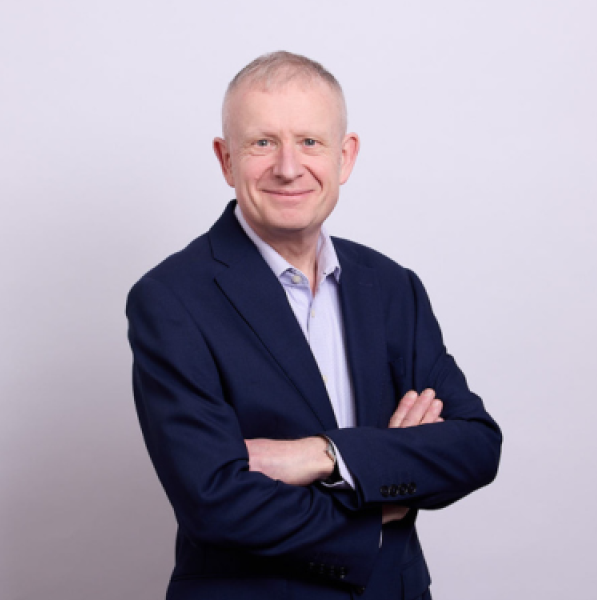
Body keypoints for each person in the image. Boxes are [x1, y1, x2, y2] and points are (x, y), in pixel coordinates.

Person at [127, 51, 501, 600]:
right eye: (261, 143)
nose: (287, 166)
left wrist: (324, 455)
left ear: (345, 157)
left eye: (310, 142)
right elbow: (216, 503)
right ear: (225, 160)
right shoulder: (170, 300)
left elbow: (473, 445)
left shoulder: (392, 286)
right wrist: (379, 507)